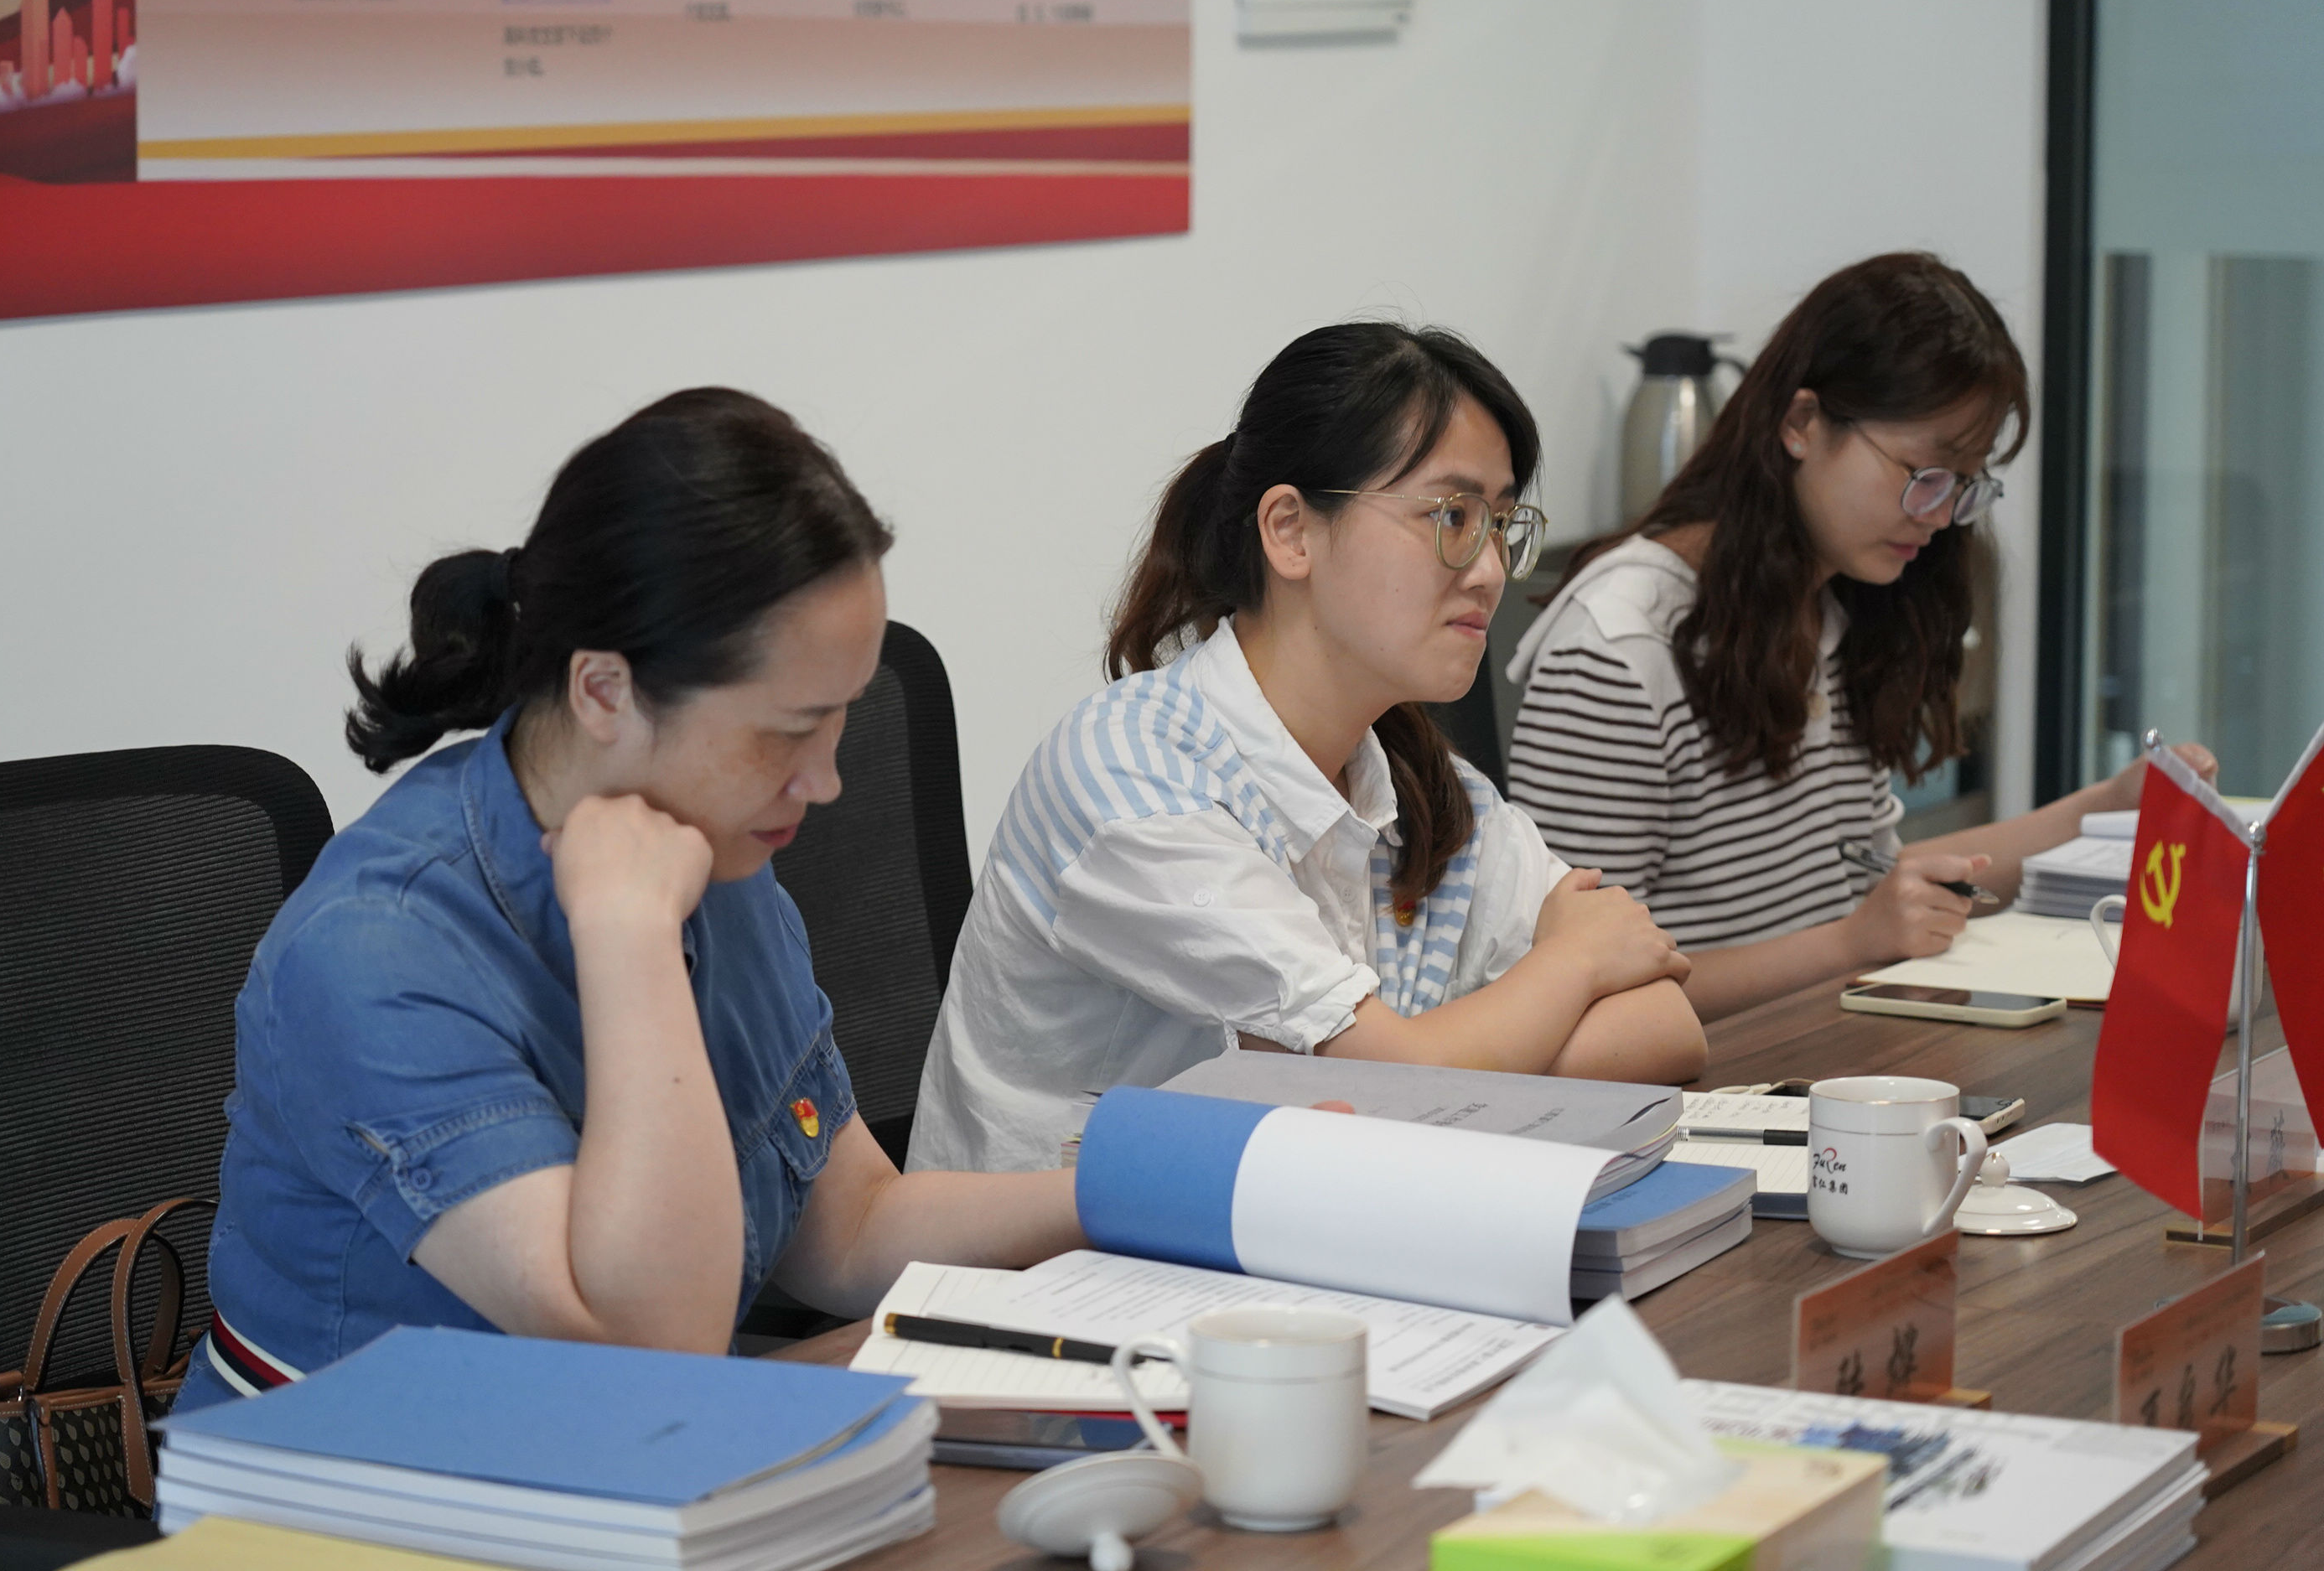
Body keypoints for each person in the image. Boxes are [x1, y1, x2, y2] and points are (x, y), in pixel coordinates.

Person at [174, 388, 1081, 1409]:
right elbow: (653, 1345)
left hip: (628, 1449)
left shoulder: (712, 849)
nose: (825, 780)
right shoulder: (375, 951)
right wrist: (631, 939)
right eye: (788, 731)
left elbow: (851, 1224)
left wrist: (1114, 1195)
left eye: (841, 716)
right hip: (366, 1477)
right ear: (604, 689)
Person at [907, 324, 1707, 1175]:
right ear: (1290, 531)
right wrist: (1573, 963)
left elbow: (1665, 1024)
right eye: (1451, 516)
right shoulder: (1132, 777)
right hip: (1054, 1246)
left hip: (1305, 1219)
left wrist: (1443, 1063)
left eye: (1502, 523)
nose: (1489, 570)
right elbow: (1381, 1086)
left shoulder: (1417, 778)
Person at [1506, 252, 2217, 1019]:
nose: (1939, 516)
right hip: (1693, 1080)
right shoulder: (1617, 648)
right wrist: (1853, 942)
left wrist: (2107, 807)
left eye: (1964, 486)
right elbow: (1587, 988)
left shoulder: (1832, 607)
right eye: (1923, 474)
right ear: (1802, 424)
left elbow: (1871, 879)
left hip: (1823, 1044)